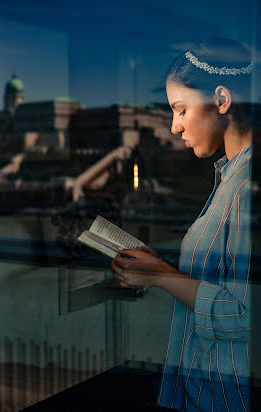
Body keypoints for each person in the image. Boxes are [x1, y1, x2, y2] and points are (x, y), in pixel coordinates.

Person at [112, 38, 252, 412]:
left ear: (222, 100)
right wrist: (162, 267)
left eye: (181, 109)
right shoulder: (230, 176)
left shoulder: (247, 186)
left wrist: (160, 277)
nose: (174, 127)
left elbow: (247, 316)